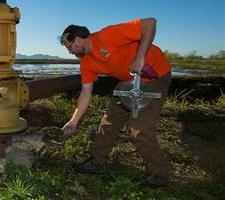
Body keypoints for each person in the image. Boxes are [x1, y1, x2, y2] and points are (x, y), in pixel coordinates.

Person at [60, 18, 172, 187]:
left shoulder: (108, 36)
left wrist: (140, 57)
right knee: (110, 119)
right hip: (130, 80)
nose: (70, 52)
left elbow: (149, 23)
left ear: (78, 40)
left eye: (69, 47)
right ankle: (97, 161)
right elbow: (85, 93)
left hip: (156, 75)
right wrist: (74, 121)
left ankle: (160, 174)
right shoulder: (86, 62)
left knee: (140, 128)